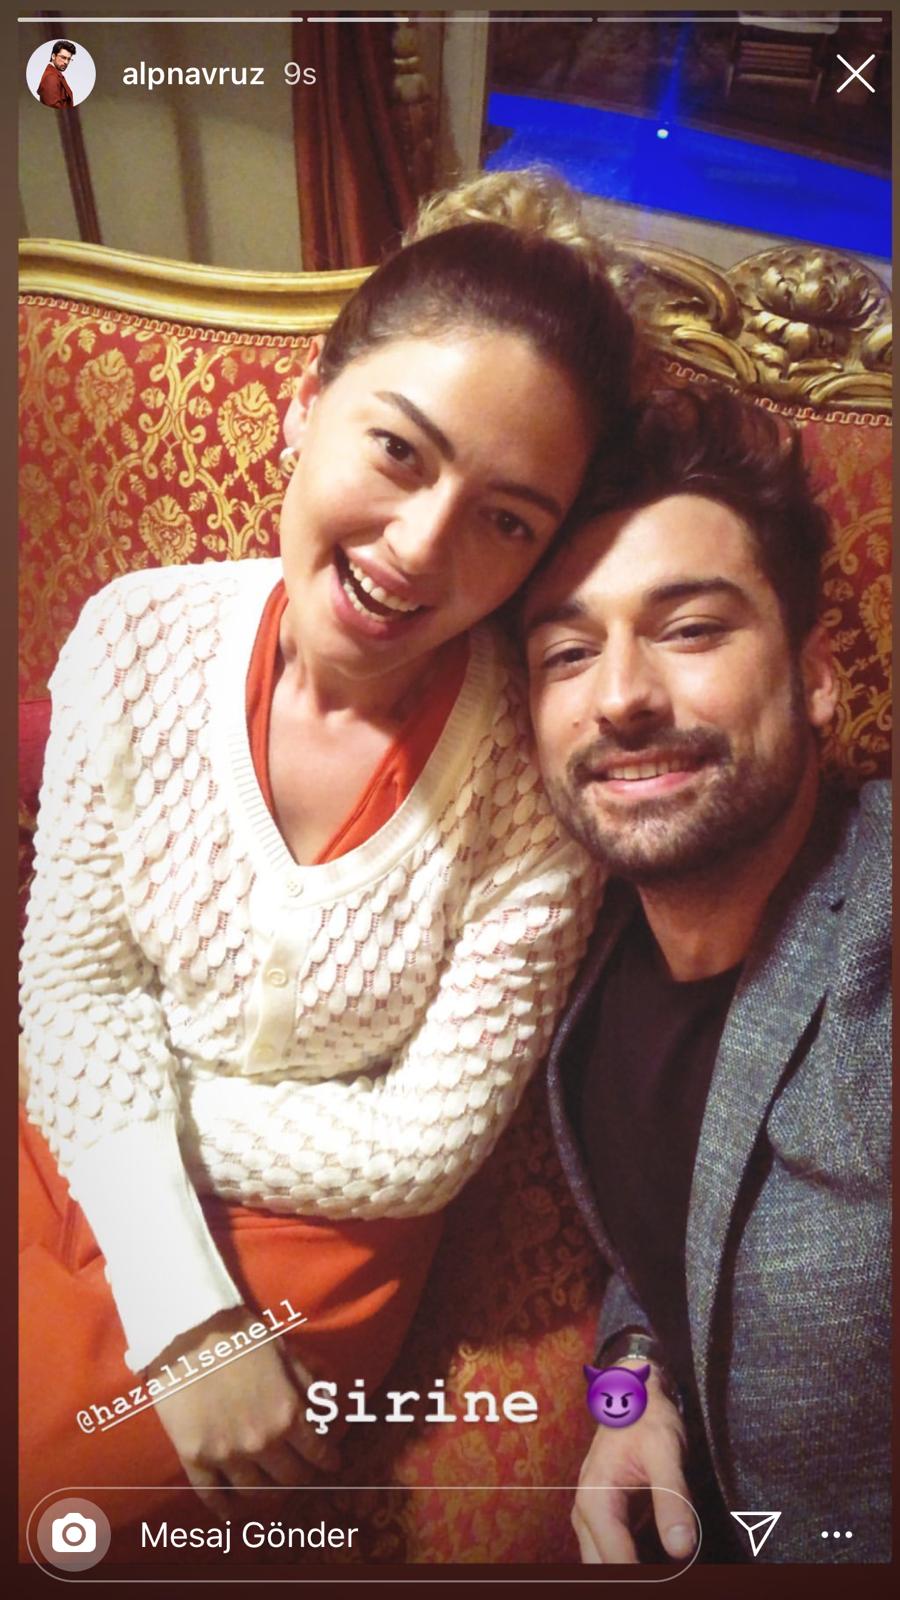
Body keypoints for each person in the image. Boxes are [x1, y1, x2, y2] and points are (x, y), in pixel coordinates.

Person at [19, 170, 635, 1544]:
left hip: (313, 1248)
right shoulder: (132, 636)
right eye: (400, 451)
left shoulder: (534, 772)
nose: (419, 549)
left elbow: (420, 1146)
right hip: (66, 1159)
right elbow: (73, 983)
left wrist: (106, 1093)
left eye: (508, 519)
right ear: (307, 406)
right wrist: (169, 1284)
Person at [523, 384, 890, 1565]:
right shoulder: (582, 971)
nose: (622, 694)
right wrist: (627, 1392)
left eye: (689, 629)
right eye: (569, 651)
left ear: (816, 673)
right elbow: (668, 1251)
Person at [37, 40, 76, 108]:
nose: (66, 62)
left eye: (69, 59)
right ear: (53, 56)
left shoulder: (55, 75)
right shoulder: (51, 78)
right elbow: (53, 108)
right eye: (63, 57)